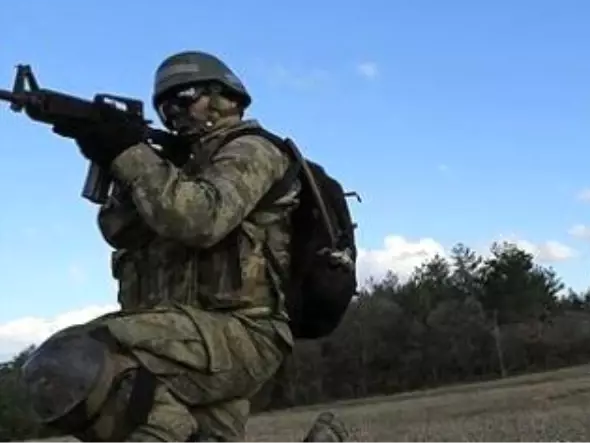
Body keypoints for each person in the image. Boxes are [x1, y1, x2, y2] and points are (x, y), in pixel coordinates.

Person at [18, 51, 354, 442]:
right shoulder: (173, 169)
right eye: (164, 107)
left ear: (223, 97)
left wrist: (129, 152)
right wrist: (113, 156)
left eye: (185, 97)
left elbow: (200, 219)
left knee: (71, 357)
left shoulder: (254, 151)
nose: (174, 113)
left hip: (241, 334)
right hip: (190, 337)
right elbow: (119, 230)